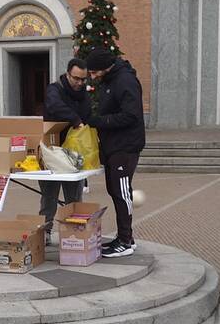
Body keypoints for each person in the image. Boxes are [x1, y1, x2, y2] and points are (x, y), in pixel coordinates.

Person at [85, 48, 145, 258]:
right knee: (115, 190)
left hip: (125, 146)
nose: (92, 76)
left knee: (122, 192)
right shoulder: (111, 80)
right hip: (114, 146)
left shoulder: (125, 81)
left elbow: (131, 115)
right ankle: (125, 238)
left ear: (105, 67)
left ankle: (126, 241)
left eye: (94, 72)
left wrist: (100, 121)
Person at [40, 58, 91, 245]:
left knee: (74, 197)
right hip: (52, 151)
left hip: (73, 154)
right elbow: (54, 106)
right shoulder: (55, 89)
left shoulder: (84, 93)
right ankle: (45, 232)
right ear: (68, 73)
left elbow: (88, 115)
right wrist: (75, 120)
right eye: (76, 78)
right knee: (49, 197)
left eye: (83, 80)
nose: (79, 83)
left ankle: (75, 234)